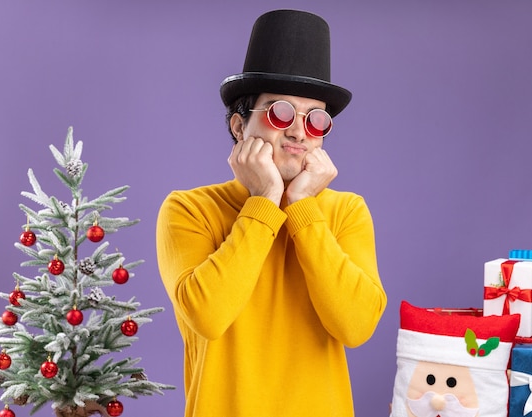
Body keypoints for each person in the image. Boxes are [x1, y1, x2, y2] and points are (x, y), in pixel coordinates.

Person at [156, 9, 387, 417]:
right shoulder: (189, 209)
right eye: (280, 113)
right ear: (238, 127)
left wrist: (302, 207)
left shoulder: (346, 211)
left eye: (316, 121)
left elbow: (356, 327)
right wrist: (264, 199)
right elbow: (207, 317)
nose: (299, 132)